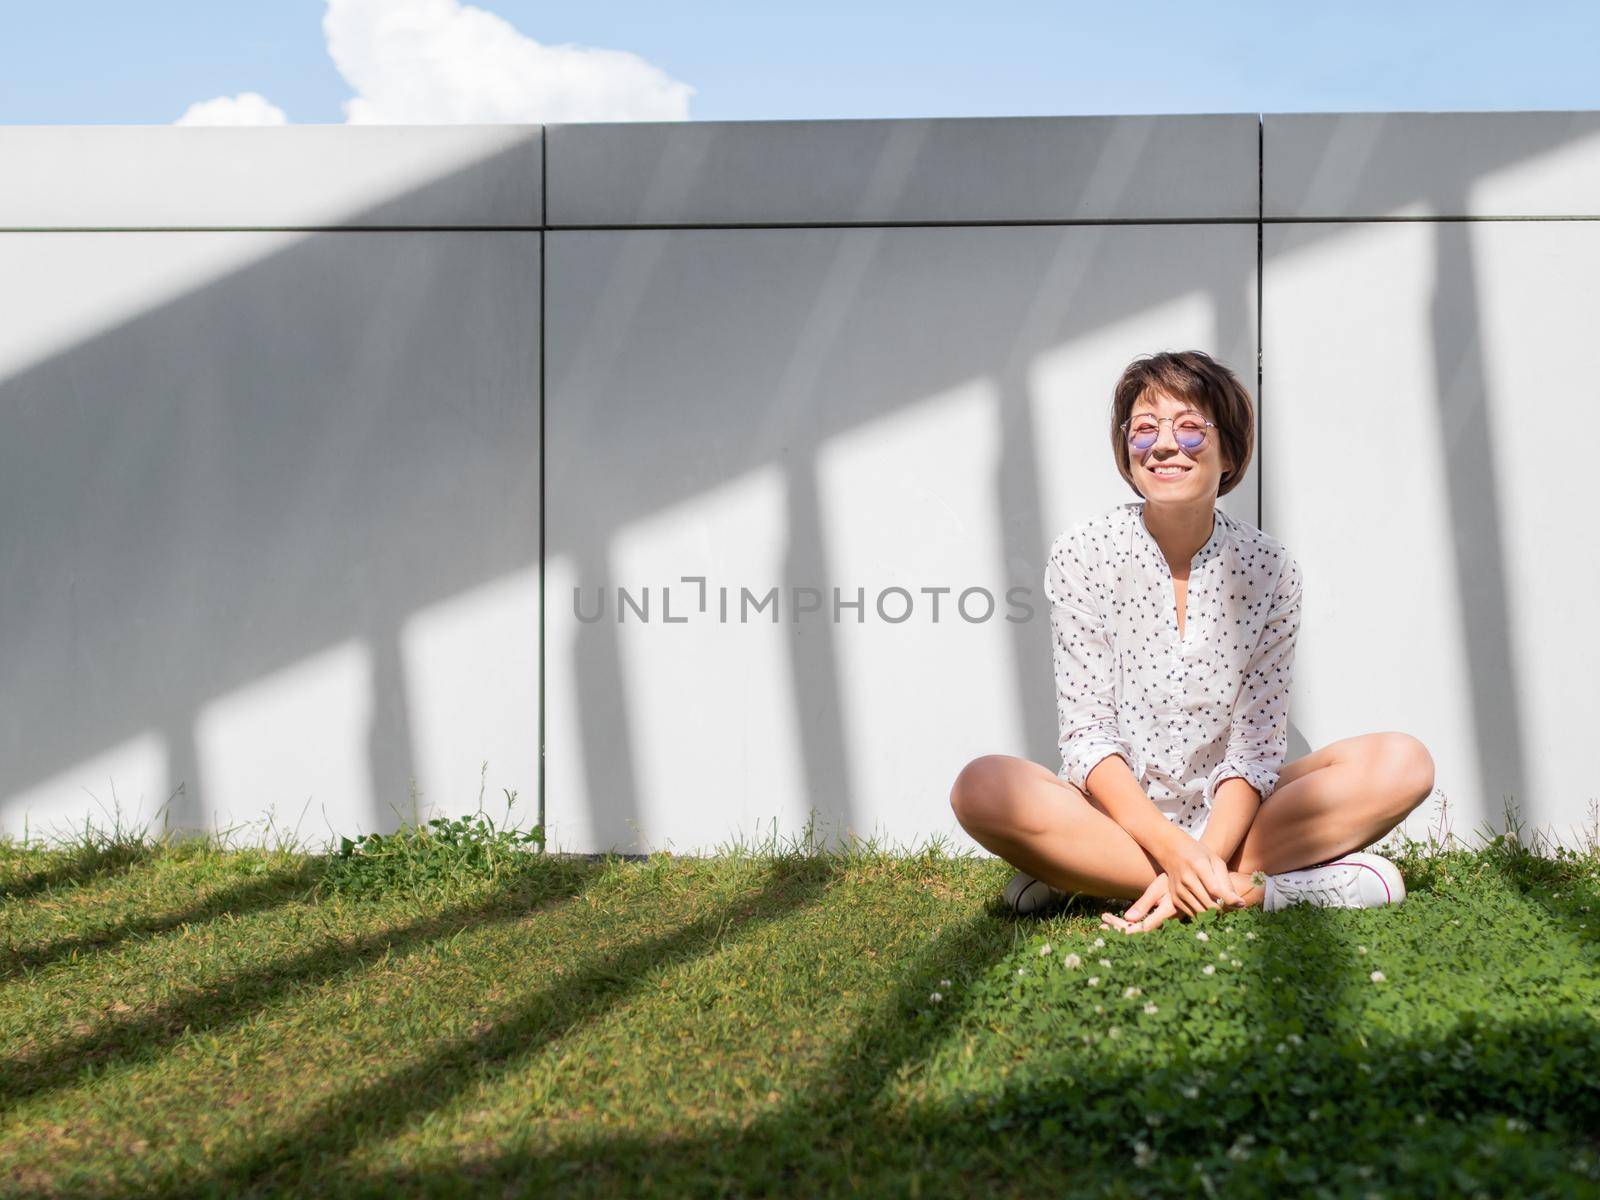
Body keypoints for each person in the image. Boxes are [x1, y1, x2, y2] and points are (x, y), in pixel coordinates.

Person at [949, 350, 1434, 932]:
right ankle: (1260, 887)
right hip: (1115, 814)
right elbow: (1089, 732)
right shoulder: (1083, 553)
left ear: (1228, 450)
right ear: (1126, 449)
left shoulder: (1271, 569)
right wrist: (1171, 847)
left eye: (1190, 429)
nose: (1163, 445)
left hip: (1237, 815)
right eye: (1144, 429)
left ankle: (1087, 875)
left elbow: (1256, 749)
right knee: (981, 787)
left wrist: (1200, 847)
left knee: (1403, 762)